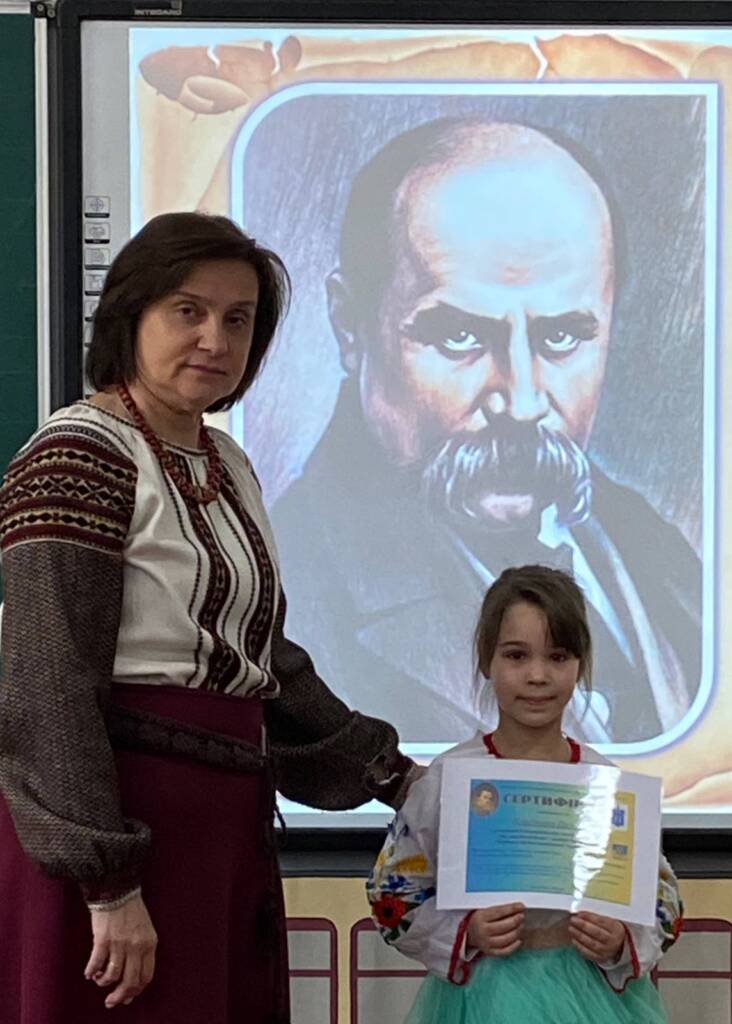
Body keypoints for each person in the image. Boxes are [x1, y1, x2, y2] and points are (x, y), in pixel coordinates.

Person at [0, 212, 420, 1023]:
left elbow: (262, 661)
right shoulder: (77, 453)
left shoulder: (228, 463)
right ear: (132, 315)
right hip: (122, 825)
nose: (214, 340)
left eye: (238, 319)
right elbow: (50, 683)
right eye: (187, 311)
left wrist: (392, 776)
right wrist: (108, 883)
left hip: (220, 829)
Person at [271, 117, 702, 746]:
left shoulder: (657, 555)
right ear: (350, 326)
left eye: (562, 337)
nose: (522, 403)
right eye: (460, 336)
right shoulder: (294, 591)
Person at [367, 564, 682, 1023]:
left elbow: (662, 899)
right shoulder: (449, 780)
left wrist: (619, 941)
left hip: (590, 999)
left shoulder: (606, 784)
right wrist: (467, 932)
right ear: (486, 661)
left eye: (558, 657)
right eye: (516, 656)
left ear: (580, 664)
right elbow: (392, 894)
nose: (537, 675)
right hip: (481, 999)